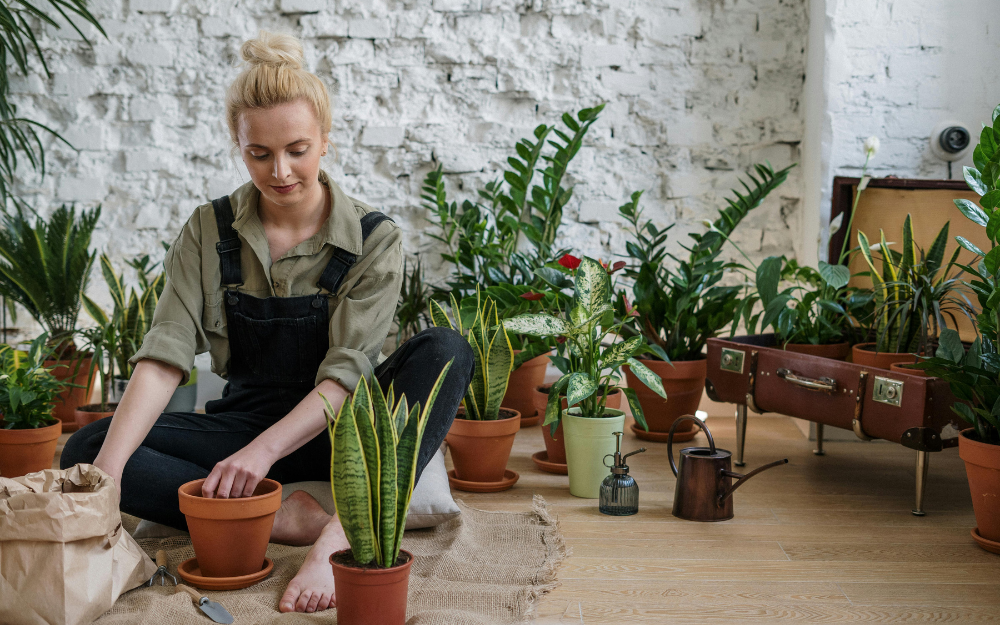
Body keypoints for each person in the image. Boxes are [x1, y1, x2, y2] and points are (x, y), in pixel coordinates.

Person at [61, 30, 473, 614]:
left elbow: (346, 376)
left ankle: (340, 534)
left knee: (446, 347)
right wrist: (105, 482)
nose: (280, 171)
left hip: (344, 430)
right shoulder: (209, 230)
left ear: (326, 141)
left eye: (298, 149)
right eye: (259, 154)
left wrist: (260, 456)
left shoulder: (375, 240)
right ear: (238, 144)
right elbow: (163, 357)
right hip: (244, 422)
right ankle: (281, 517)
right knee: (89, 446)